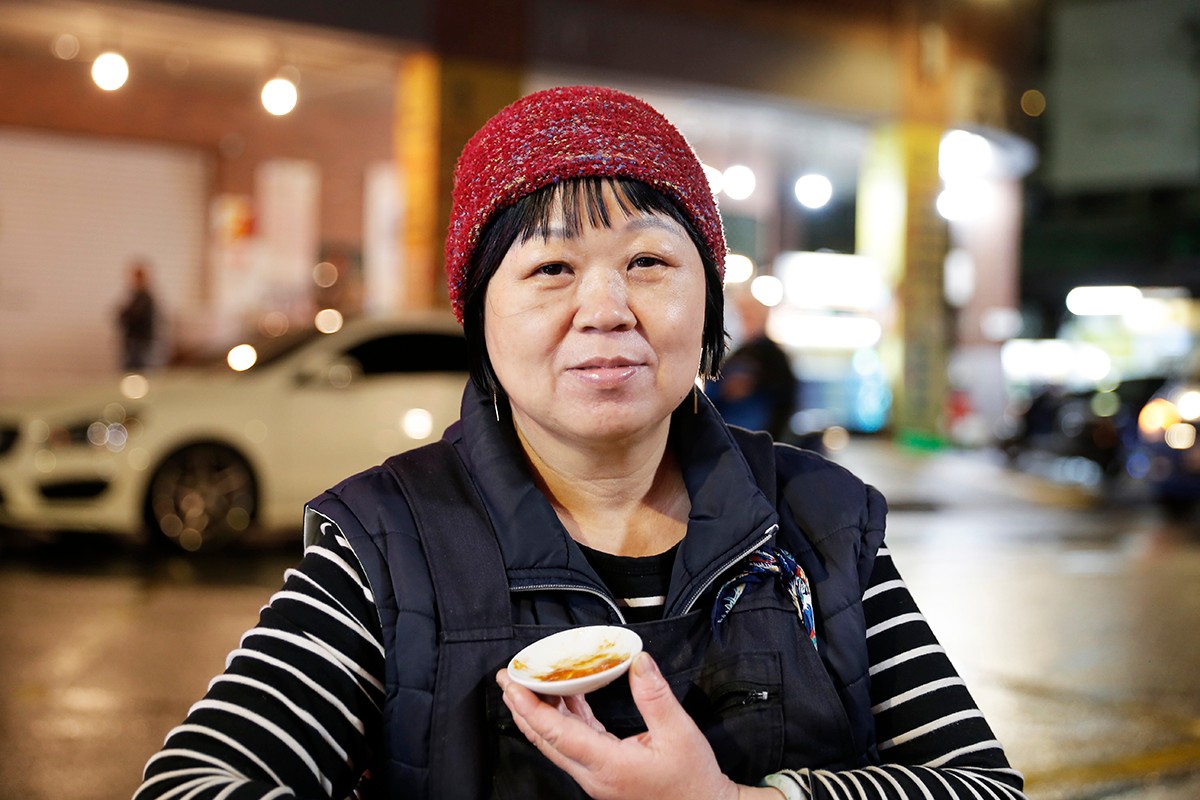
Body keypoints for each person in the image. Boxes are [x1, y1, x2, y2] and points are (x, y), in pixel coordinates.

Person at [134, 86, 1025, 800]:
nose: (605, 310)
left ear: (707, 304)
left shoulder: (821, 525)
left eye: (649, 263)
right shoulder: (382, 546)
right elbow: (192, 782)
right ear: (479, 317)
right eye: (551, 269)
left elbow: (981, 785)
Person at [709, 286, 798, 441]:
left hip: (750, 438)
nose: (742, 320)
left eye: (747, 315)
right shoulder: (741, 353)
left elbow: (784, 397)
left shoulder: (771, 355)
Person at [116, 259, 158, 371]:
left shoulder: (145, 297)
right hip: (133, 340)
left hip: (140, 340)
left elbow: (133, 315)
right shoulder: (135, 296)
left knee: (138, 370)